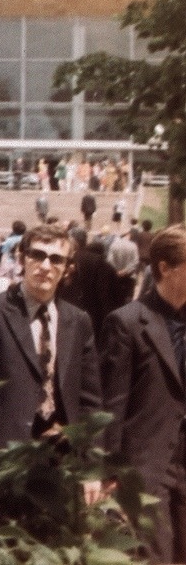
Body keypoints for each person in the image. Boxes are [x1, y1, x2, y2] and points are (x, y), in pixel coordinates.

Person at [0, 223, 101, 464]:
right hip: (1, 450)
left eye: (56, 259)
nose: (46, 266)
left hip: (60, 453)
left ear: (67, 269)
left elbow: (90, 400)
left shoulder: (78, 321)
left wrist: (93, 466)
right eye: (38, 255)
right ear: (22, 258)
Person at [103, 226, 186, 562]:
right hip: (147, 465)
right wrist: (107, 470)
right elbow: (112, 403)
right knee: (155, 555)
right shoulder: (127, 322)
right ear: (165, 267)